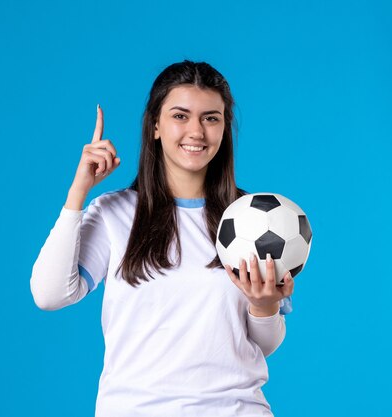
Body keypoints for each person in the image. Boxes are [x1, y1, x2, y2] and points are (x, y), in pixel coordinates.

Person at [30, 60, 295, 417]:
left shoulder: (255, 217)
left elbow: (263, 346)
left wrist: (264, 307)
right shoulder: (115, 214)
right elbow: (49, 295)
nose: (196, 131)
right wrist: (78, 192)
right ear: (155, 125)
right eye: (180, 116)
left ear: (224, 129)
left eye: (211, 118)